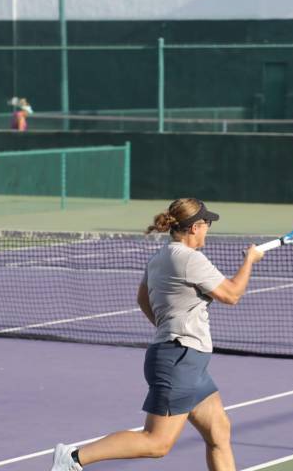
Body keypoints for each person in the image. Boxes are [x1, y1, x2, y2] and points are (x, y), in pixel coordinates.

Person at [50, 198, 264, 471]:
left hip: (186, 359)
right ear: (195, 227)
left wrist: (168, 326)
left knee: (219, 431)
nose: (208, 228)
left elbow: (142, 299)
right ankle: (73, 458)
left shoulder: (159, 258)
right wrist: (250, 260)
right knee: (156, 443)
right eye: (206, 223)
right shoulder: (189, 259)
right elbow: (232, 294)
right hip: (180, 360)